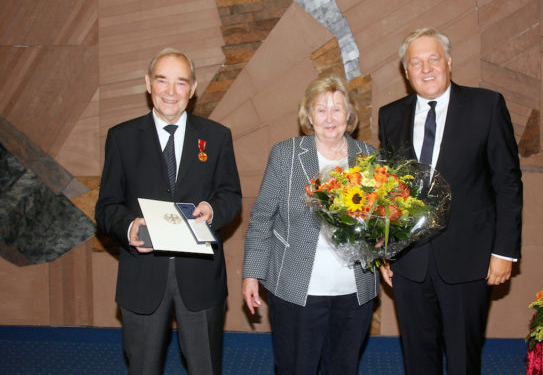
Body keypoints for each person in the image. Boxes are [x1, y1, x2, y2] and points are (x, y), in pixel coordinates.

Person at [378, 28, 523, 374]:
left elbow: (507, 183)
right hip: (409, 263)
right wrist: (383, 249)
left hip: (468, 260)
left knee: (462, 359)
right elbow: (387, 189)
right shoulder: (391, 115)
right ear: (406, 71)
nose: (426, 69)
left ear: (450, 63)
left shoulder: (487, 106)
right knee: (417, 358)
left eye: (433, 59)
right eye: (416, 63)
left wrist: (504, 252)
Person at [95, 48, 242, 375]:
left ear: (192, 89)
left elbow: (231, 196)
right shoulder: (121, 138)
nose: (171, 92)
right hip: (142, 277)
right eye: (162, 81)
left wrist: (212, 210)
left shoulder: (216, 137)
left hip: (201, 278)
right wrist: (130, 228)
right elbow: (106, 207)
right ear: (148, 84)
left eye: (180, 83)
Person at [242, 75, 379, 375]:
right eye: (321, 109)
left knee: (343, 368)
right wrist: (252, 274)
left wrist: (383, 244)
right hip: (296, 290)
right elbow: (261, 218)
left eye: (337, 109)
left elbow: (382, 221)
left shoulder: (369, 157)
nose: (330, 118)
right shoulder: (286, 155)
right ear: (309, 116)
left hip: (354, 292)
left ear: (349, 115)